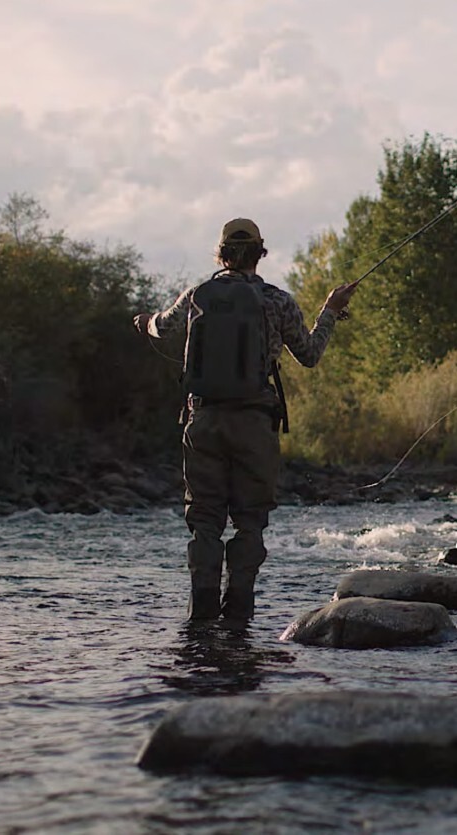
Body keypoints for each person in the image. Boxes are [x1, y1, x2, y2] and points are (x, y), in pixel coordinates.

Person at [134, 218, 357, 622]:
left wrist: (145, 321)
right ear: (261, 253)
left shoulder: (197, 295)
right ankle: (238, 614)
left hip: (203, 421)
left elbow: (161, 327)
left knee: (205, 521)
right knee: (250, 522)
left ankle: (201, 615)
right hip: (255, 423)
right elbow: (309, 355)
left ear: (220, 255)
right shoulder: (277, 300)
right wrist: (330, 311)